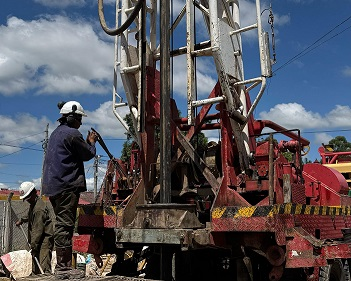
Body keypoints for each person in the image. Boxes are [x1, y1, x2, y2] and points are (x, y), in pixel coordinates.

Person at [42, 101, 98, 279]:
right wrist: (91, 142)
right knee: (65, 225)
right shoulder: (73, 134)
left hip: (54, 186)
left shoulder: (56, 133)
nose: (80, 123)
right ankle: (63, 268)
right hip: (66, 185)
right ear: (72, 117)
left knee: (61, 222)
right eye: (79, 119)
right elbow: (87, 154)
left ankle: (62, 266)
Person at [16, 181, 54, 275]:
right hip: (38, 240)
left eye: (28, 198)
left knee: (43, 267)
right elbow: (30, 215)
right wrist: (22, 219)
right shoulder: (34, 204)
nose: (27, 200)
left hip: (44, 240)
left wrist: (33, 246)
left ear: (34, 192)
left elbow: (37, 231)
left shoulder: (39, 209)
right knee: (35, 266)